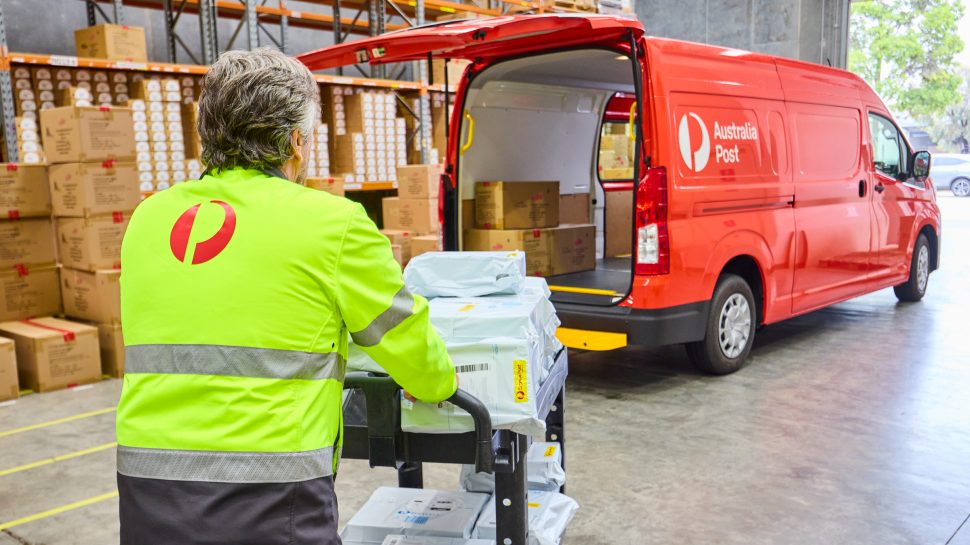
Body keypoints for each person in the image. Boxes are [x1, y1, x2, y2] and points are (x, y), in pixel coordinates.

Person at [115, 48, 457, 545]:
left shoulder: (149, 217)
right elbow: (404, 337)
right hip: (268, 491)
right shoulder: (331, 223)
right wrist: (439, 384)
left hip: (147, 484)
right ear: (296, 141)